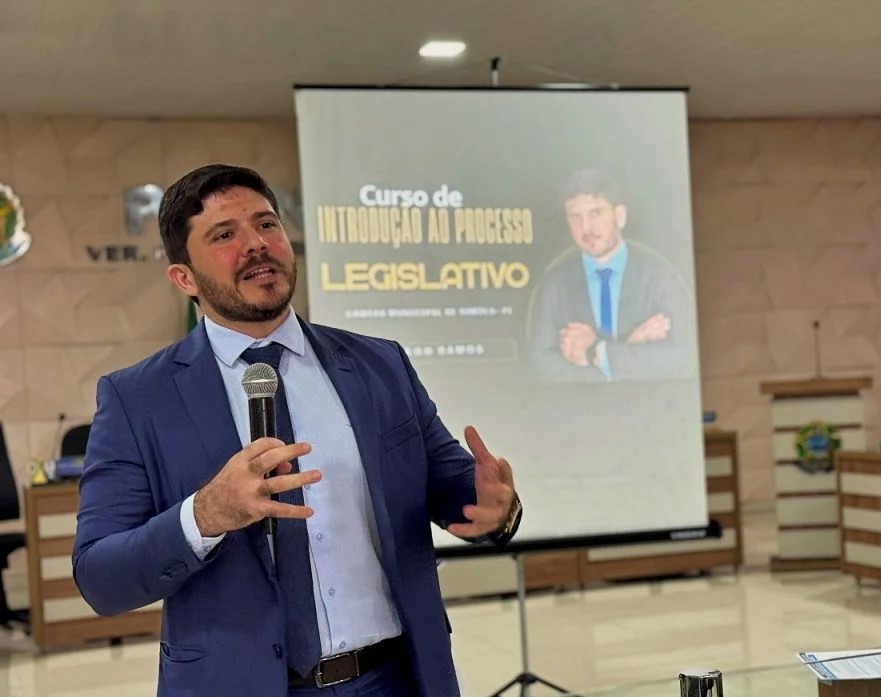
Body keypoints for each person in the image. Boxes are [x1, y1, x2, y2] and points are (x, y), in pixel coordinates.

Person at [72, 164, 522, 697]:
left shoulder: (379, 364)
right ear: (184, 278)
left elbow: (452, 488)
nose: (255, 244)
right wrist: (205, 515)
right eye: (224, 235)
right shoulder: (138, 398)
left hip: (394, 678)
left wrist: (494, 508)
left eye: (266, 224)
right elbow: (100, 576)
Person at [527, 169, 694, 383]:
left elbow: (686, 358)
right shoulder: (554, 285)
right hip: (580, 404)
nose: (586, 228)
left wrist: (596, 353)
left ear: (620, 216)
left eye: (595, 214)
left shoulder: (659, 277)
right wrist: (624, 351)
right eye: (575, 217)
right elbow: (542, 366)